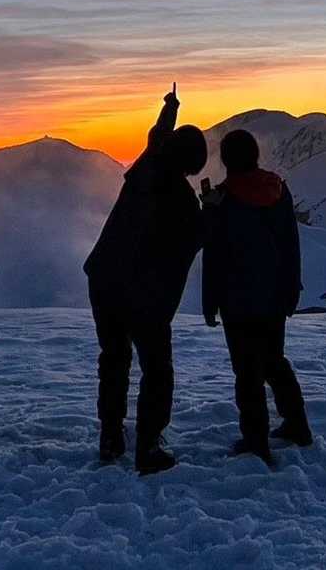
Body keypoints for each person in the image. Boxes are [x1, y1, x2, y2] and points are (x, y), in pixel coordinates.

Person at [83, 83, 207, 474]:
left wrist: (170, 108)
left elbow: (158, 136)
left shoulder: (147, 166)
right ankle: (148, 445)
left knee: (114, 359)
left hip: (104, 277)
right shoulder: (182, 198)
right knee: (156, 368)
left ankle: (110, 437)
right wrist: (212, 210)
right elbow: (194, 239)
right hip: (143, 293)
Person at [202, 128, 313, 465]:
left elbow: (215, 254)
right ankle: (297, 425)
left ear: (226, 160)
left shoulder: (222, 199)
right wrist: (291, 288)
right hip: (274, 295)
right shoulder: (278, 189)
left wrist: (209, 300)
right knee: (274, 361)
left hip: (237, 299)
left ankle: (256, 440)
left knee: (247, 371)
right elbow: (290, 243)